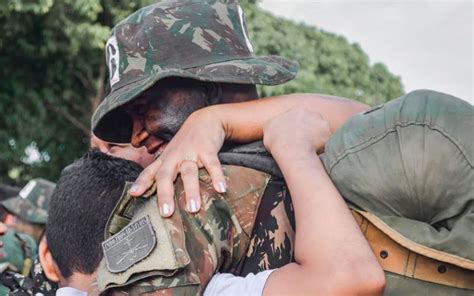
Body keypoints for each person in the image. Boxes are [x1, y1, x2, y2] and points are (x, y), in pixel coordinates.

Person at [91, 1, 473, 295]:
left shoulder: (320, 151)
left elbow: (391, 123)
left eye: (144, 110)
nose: (138, 136)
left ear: (208, 83)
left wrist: (218, 122)